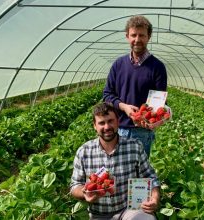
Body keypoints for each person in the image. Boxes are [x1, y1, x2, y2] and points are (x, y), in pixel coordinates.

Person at [70, 102, 160, 220]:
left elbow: (150, 176)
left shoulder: (134, 147)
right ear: (94, 126)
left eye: (110, 121)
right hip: (98, 214)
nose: (107, 127)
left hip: (129, 209)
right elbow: (74, 186)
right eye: (101, 123)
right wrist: (85, 193)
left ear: (118, 122)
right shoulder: (84, 152)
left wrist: (155, 197)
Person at [103, 15, 167, 157]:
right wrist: (123, 107)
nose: (137, 40)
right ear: (127, 36)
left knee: (139, 175)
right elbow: (107, 95)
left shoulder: (157, 67)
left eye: (142, 35)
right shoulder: (118, 65)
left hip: (142, 132)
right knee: (118, 172)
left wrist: (153, 120)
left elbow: (160, 102)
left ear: (148, 37)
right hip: (117, 130)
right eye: (133, 35)